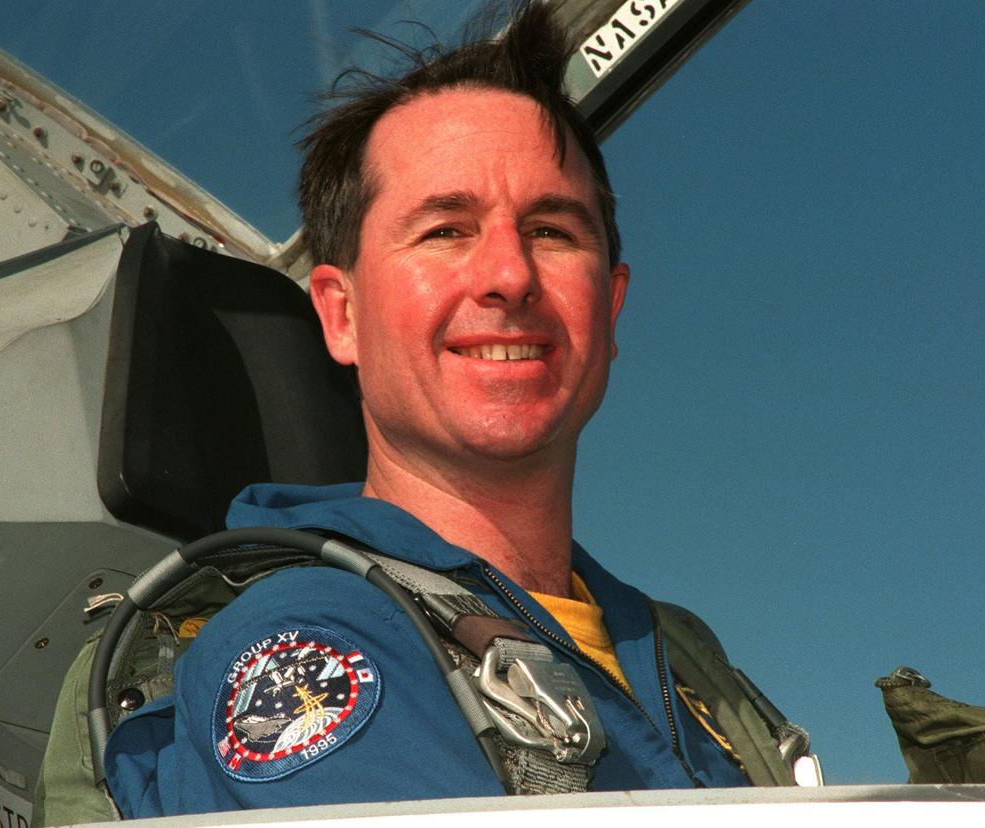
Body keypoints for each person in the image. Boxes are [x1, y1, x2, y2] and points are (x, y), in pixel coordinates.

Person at [101, 2, 793, 817]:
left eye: (551, 229)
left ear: (609, 310)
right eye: (445, 230)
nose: (509, 274)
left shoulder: (688, 668)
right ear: (341, 315)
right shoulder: (310, 645)